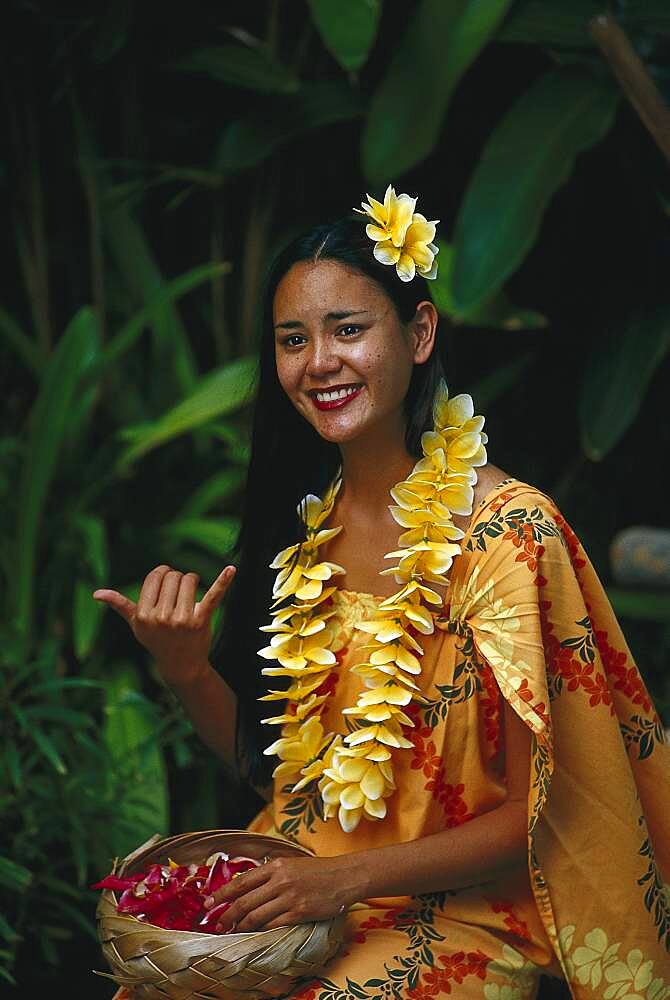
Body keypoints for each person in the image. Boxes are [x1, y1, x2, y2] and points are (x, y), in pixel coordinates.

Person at [94, 185, 670, 1000]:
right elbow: (280, 783)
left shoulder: (507, 537)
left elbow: (541, 813)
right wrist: (187, 668)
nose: (318, 361)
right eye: (294, 339)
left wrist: (348, 880)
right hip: (297, 885)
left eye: (348, 329)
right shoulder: (304, 532)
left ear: (420, 331)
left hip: (461, 916)